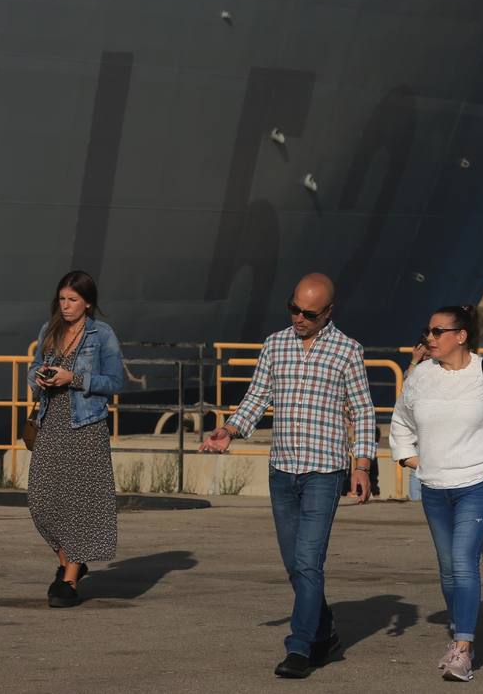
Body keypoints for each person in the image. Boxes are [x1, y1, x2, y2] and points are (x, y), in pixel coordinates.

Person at [201, 273, 374, 680]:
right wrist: (229, 430)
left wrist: (362, 466)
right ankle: (325, 628)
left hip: (324, 471)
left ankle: (300, 647)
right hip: (282, 469)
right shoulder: (275, 344)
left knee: (309, 561)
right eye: (293, 308)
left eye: (309, 313)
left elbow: (364, 411)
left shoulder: (348, 351)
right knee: (294, 565)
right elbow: (258, 396)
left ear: (328, 312)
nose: (299, 317)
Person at [390, 305, 483, 683]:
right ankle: (460, 625)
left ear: (461, 335)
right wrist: (407, 456)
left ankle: (463, 649)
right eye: (428, 331)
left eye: (438, 332)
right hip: (434, 485)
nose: (430, 338)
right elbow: (402, 418)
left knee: (462, 559)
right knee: (446, 565)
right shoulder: (422, 376)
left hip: (479, 481)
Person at [26, 270, 125, 608]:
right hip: (50, 422)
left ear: (88, 303)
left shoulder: (103, 335)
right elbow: (33, 367)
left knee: (80, 504)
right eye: (61, 300)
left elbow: (114, 382)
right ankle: (69, 560)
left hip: (85, 426)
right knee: (41, 501)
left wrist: (75, 377)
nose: (65, 306)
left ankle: (69, 578)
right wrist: (39, 377)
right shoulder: (49, 329)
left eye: (72, 301)